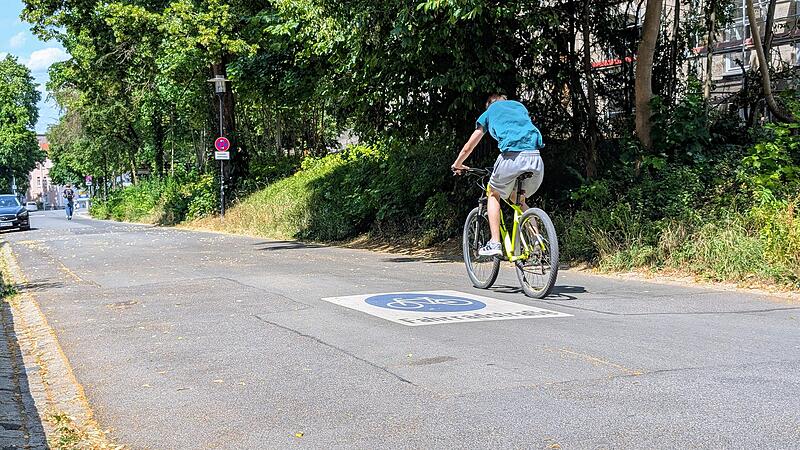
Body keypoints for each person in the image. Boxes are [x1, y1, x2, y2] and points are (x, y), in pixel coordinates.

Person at [451, 94, 545, 256]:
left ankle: (495, 242)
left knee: (493, 194)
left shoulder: (490, 111)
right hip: (536, 159)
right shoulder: (518, 106)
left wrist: (457, 164)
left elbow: (469, 146)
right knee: (519, 200)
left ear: (490, 105)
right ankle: (537, 239)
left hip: (511, 158)